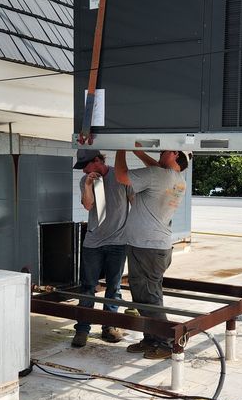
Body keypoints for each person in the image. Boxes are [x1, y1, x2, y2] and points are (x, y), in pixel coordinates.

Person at [114, 149, 191, 360]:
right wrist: (137, 151)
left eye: (163, 151)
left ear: (175, 154)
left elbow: (121, 176)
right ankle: (152, 338)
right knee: (147, 296)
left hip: (146, 247)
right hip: (155, 246)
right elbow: (156, 168)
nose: (159, 152)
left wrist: (121, 148)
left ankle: (166, 342)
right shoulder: (177, 179)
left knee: (148, 297)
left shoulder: (159, 175)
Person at [72, 148, 128, 348]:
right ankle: (82, 329)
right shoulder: (86, 180)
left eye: (85, 166)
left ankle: (110, 326)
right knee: (88, 286)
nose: (83, 171)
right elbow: (88, 206)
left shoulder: (119, 176)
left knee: (114, 287)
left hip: (118, 241)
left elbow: (134, 202)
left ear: (97, 161)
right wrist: (88, 185)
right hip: (93, 242)